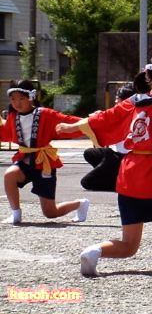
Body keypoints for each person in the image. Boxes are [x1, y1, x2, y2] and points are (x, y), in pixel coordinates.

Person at [55, 49, 152, 276]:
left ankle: (94, 251)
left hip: (128, 174)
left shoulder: (134, 100)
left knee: (129, 246)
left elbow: (105, 118)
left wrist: (74, 127)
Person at [1, 80, 90, 225]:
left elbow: (69, 122)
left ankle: (80, 204)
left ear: (31, 97)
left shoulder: (46, 114)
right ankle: (15, 214)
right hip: (24, 159)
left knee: (50, 213)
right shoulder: (13, 117)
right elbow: (4, 134)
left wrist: (95, 122)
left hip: (44, 162)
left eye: (21, 98)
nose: (17, 103)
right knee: (10, 174)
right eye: (13, 99)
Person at [81, 85, 135, 192]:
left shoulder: (130, 113)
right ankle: (114, 176)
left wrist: (99, 119)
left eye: (117, 98)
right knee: (90, 153)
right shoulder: (122, 112)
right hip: (115, 153)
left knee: (86, 182)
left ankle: (122, 185)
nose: (115, 101)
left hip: (124, 156)